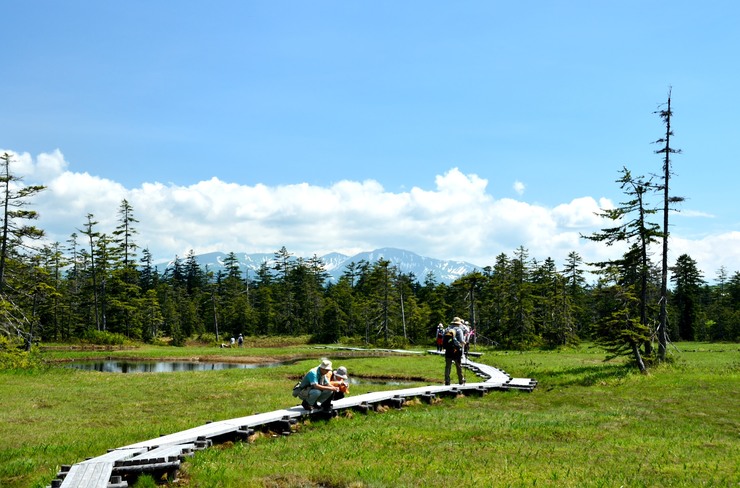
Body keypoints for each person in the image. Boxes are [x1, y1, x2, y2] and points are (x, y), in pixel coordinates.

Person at [443, 317, 466, 386]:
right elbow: (461, 341)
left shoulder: (447, 329)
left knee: (448, 366)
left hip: (448, 350)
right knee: (458, 365)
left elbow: (444, 340)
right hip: (456, 350)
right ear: (459, 323)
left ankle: (447, 381)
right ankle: (461, 380)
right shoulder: (459, 330)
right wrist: (464, 343)